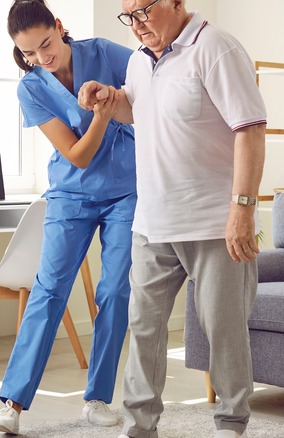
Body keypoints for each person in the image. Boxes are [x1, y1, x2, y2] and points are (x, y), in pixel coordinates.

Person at [78, 1, 266, 437]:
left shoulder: (216, 49)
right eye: (129, 16)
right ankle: (139, 427)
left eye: (144, 11)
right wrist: (111, 98)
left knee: (223, 331)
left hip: (213, 223)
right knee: (143, 328)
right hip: (152, 221)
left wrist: (242, 209)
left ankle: (231, 425)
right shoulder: (139, 61)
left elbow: (251, 129)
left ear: (176, 3)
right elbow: (138, 109)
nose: (137, 24)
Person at [0, 0, 137, 435]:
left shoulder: (108, 53)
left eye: (46, 44)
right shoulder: (30, 87)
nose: (42, 58)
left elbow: (155, 88)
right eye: (30, 53)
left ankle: (98, 399)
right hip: (72, 194)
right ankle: (12, 403)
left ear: (60, 27)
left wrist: (117, 103)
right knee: (49, 291)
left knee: (114, 291)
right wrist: (103, 116)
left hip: (127, 191)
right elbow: (77, 155)